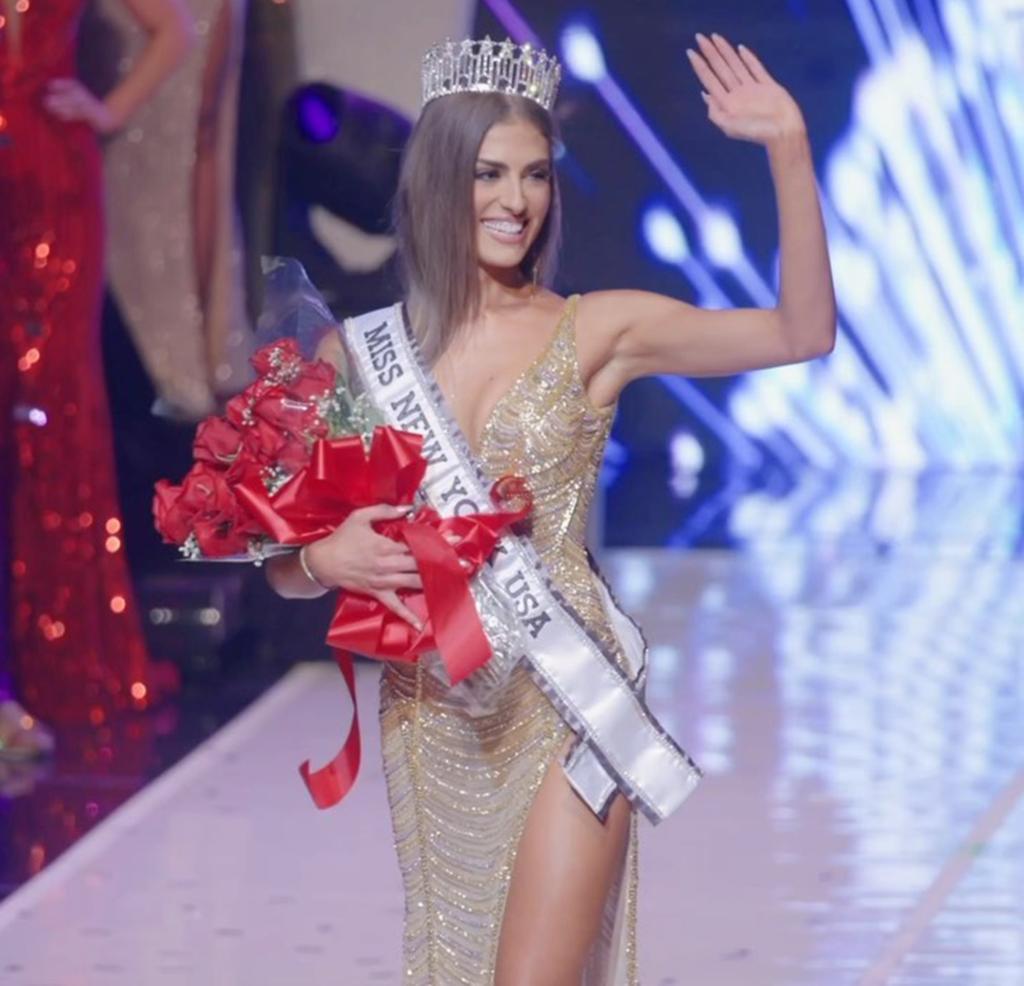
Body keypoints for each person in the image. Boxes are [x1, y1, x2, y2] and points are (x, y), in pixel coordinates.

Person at [267, 33, 835, 984]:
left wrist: (788, 147)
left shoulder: (599, 329)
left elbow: (801, 331)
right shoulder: (358, 359)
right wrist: (326, 560)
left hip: (568, 699)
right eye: (490, 173)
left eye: (534, 176)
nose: (515, 201)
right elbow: (279, 562)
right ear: (440, 181)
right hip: (434, 710)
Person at [0, 0, 194, 740]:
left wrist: (106, 110)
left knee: (54, 410)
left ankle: (65, 654)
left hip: (55, 182)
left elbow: (173, 30)